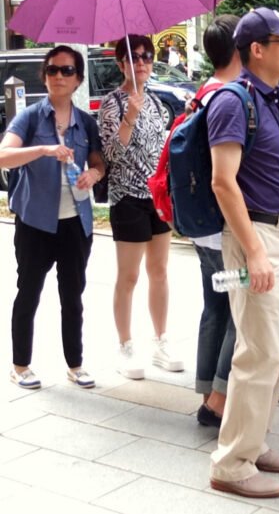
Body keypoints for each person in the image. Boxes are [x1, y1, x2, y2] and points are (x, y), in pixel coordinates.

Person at [207, 7, 279, 499]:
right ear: (256, 50)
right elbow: (223, 183)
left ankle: (254, 442)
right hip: (258, 240)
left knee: (277, 346)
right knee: (258, 351)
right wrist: (254, 252)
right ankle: (231, 464)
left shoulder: (272, 97)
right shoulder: (233, 100)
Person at [1, 46, 106, 390]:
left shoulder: (85, 122)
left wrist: (93, 174)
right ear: (44, 75)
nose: (58, 76)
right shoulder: (30, 117)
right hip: (35, 221)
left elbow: (99, 163)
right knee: (28, 291)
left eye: (67, 71)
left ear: (77, 79)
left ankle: (75, 364)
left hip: (76, 221)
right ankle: (20, 365)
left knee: (72, 294)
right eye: (52, 70)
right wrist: (44, 149)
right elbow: (4, 156)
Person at [99, 35, 183, 380]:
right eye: (134, 57)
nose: (143, 62)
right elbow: (112, 156)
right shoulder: (112, 104)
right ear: (122, 64)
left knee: (160, 271)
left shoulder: (158, 103)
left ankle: (161, 339)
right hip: (127, 198)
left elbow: (162, 150)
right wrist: (129, 117)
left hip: (156, 197)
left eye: (148, 56)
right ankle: (125, 344)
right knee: (129, 276)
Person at [193, 15, 243, 428]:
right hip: (225, 229)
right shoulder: (229, 97)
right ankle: (218, 399)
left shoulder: (203, 92)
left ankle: (207, 387)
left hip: (202, 228)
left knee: (215, 308)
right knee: (237, 313)